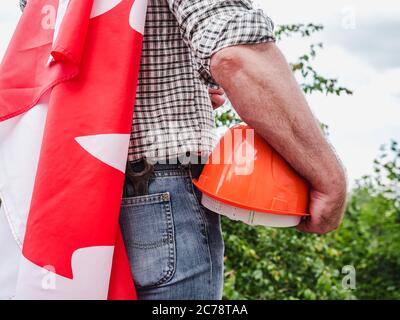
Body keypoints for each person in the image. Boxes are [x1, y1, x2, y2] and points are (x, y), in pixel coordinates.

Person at [20, 0, 347, 300]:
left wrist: (187, 84)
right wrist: (327, 174)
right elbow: (234, 54)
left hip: (64, 192)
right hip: (160, 193)